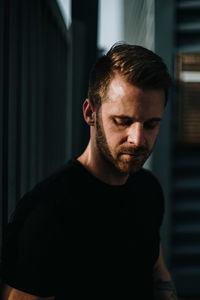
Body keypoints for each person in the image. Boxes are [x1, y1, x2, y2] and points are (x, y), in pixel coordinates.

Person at [0, 43, 177, 300]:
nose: (138, 139)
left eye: (150, 125)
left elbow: (157, 269)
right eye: (123, 121)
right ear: (90, 113)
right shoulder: (47, 213)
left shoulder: (148, 189)